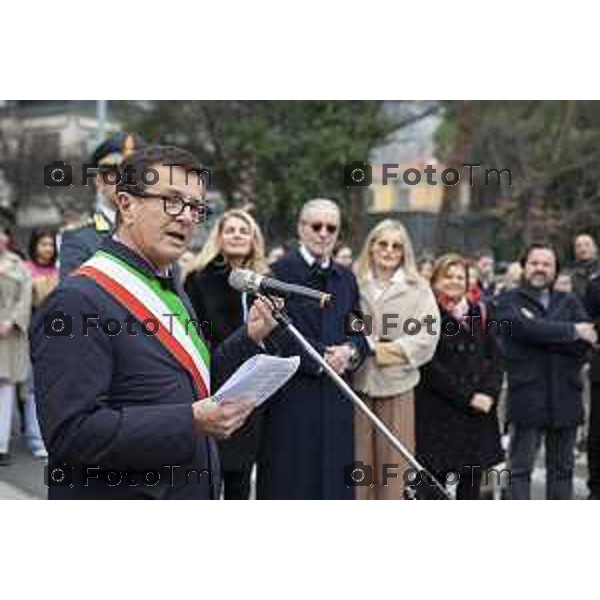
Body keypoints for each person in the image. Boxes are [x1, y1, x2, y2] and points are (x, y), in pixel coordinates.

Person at [31, 145, 292, 500]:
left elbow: (192, 383)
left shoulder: (172, 287)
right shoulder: (77, 300)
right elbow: (71, 434)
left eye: (196, 207)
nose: (186, 217)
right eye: (172, 200)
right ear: (126, 205)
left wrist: (248, 337)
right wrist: (191, 421)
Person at [257, 198, 368, 499]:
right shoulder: (277, 273)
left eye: (331, 227)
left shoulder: (346, 278)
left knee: (334, 485)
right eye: (316, 226)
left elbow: (358, 330)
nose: (323, 233)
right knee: (291, 482)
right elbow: (275, 333)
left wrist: (351, 352)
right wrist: (320, 358)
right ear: (301, 228)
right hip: (293, 396)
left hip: (337, 397)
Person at [495, 243, 596, 499]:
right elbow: (521, 329)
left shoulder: (570, 301)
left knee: (563, 470)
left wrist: (540, 333)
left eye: (546, 264)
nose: (540, 269)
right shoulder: (507, 301)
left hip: (566, 397)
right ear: (524, 267)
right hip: (528, 395)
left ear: (555, 270)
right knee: (519, 469)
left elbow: (587, 342)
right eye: (534, 263)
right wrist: (570, 331)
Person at [184, 209, 269, 499]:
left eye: (243, 231)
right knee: (209, 479)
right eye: (230, 230)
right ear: (218, 239)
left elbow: (278, 336)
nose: (236, 235)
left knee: (241, 482)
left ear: (254, 241)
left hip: (253, 391)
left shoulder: (263, 283)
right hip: (213, 387)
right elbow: (193, 336)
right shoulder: (197, 279)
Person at [353, 220, 439, 499]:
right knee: (358, 464)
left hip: (398, 385)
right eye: (383, 244)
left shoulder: (418, 288)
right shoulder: (353, 281)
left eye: (396, 246)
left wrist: (382, 351)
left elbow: (427, 336)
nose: (389, 251)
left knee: (394, 468)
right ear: (371, 246)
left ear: (405, 252)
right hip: (357, 385)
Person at [415, 253, 504, 500]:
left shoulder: (482, 311)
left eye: (459, 277)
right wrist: (468, 397)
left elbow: (496, 358)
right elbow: (429, 365)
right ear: (435, 280)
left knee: (471, 491)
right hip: (439, 414)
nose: (454, 282)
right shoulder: (424, 314)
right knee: (433, 490)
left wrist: (489, 393)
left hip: (476, 417)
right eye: (448, 276)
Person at [59, 132, 145, 280]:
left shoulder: (158, 235)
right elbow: (73, 300)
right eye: (115, 172)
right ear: (99, 180)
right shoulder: (80, 241)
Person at [21, 229, 59, 458]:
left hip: (57, 335)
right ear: (34, 245)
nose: (48, 249)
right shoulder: (25, 270)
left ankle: (49, 434)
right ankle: (35, 438)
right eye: (44, 244)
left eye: (51, 244)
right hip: (31, 334)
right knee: (33, 388)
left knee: (51, 387)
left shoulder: (60, 270)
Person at [0, 225, 32, 466]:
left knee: (5, 388)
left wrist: (12, 321)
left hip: (8, 337)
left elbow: (26, 297)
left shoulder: (18, 265)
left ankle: (1, 446)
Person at [571, 233, 600, 300]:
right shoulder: (568, 273)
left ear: (595, 248)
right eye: (578, 246)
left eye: (587, 245)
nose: (583, 249)